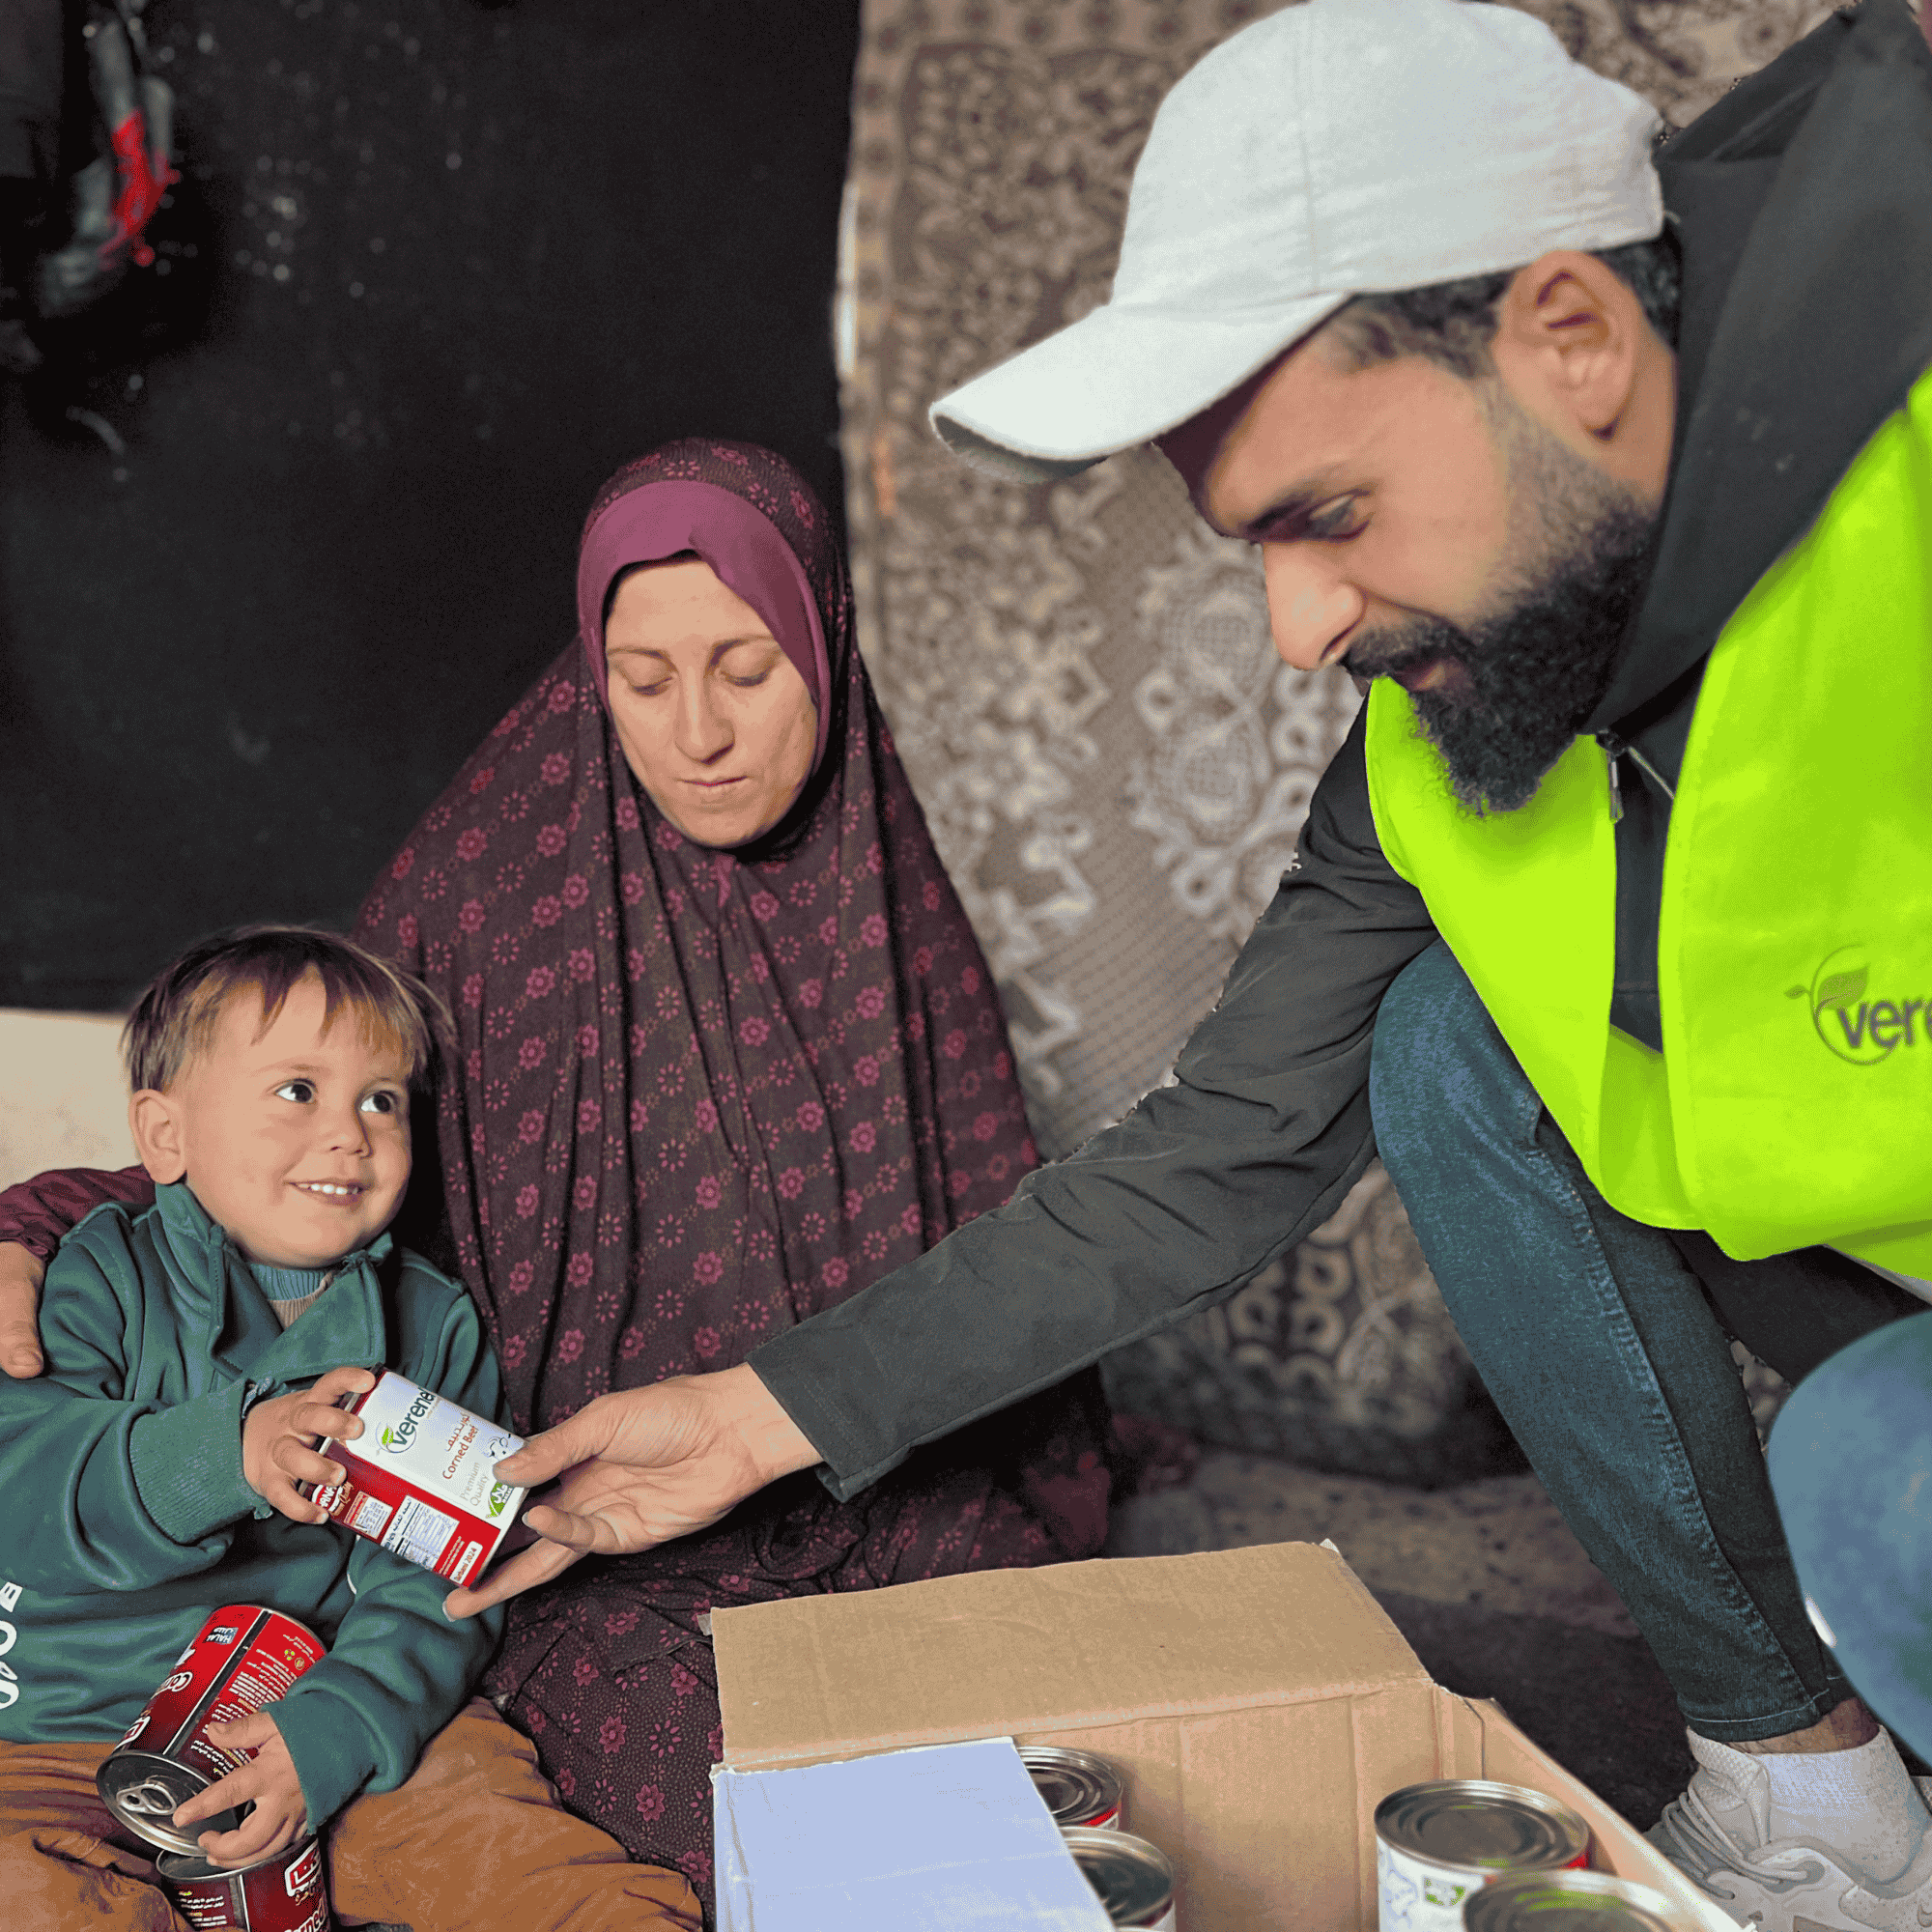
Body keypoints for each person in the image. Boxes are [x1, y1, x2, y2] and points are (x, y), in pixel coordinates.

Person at [266, 5, 1923, 1930]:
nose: (1300, 629)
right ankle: (1811, 1793)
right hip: (1847, 1317)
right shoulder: (1433, 754)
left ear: (1568, 335)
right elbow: (1214, 1152)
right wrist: (747, 1417)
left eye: (1332, 517)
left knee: (1879, 1479)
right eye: (1255, 548)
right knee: (1442, 1036)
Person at [0, 438, 1115, 1909]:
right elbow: (257, 1155)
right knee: (714, 1794)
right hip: (591, 1523)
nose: (698, 731)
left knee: (1066, 1750)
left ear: (830, 655)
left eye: (748, 668)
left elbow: (999, 1271)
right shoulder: (491, 889)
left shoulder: (890, 911)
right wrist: (23, 1221)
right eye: (643, 679)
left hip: (857, 1465)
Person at [0, 924, 700, 1931]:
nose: (350, 1130)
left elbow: (439, 1575)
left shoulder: (430, 1317)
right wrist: (227, 1453)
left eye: (381, 1099)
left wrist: (332, 1727)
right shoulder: (93, 1271)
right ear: (166, 1135)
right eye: (298, 1091)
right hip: (60, 1732)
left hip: (314, 1700)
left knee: (512, 1845)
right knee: (25, 1886)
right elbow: (24, 1482)